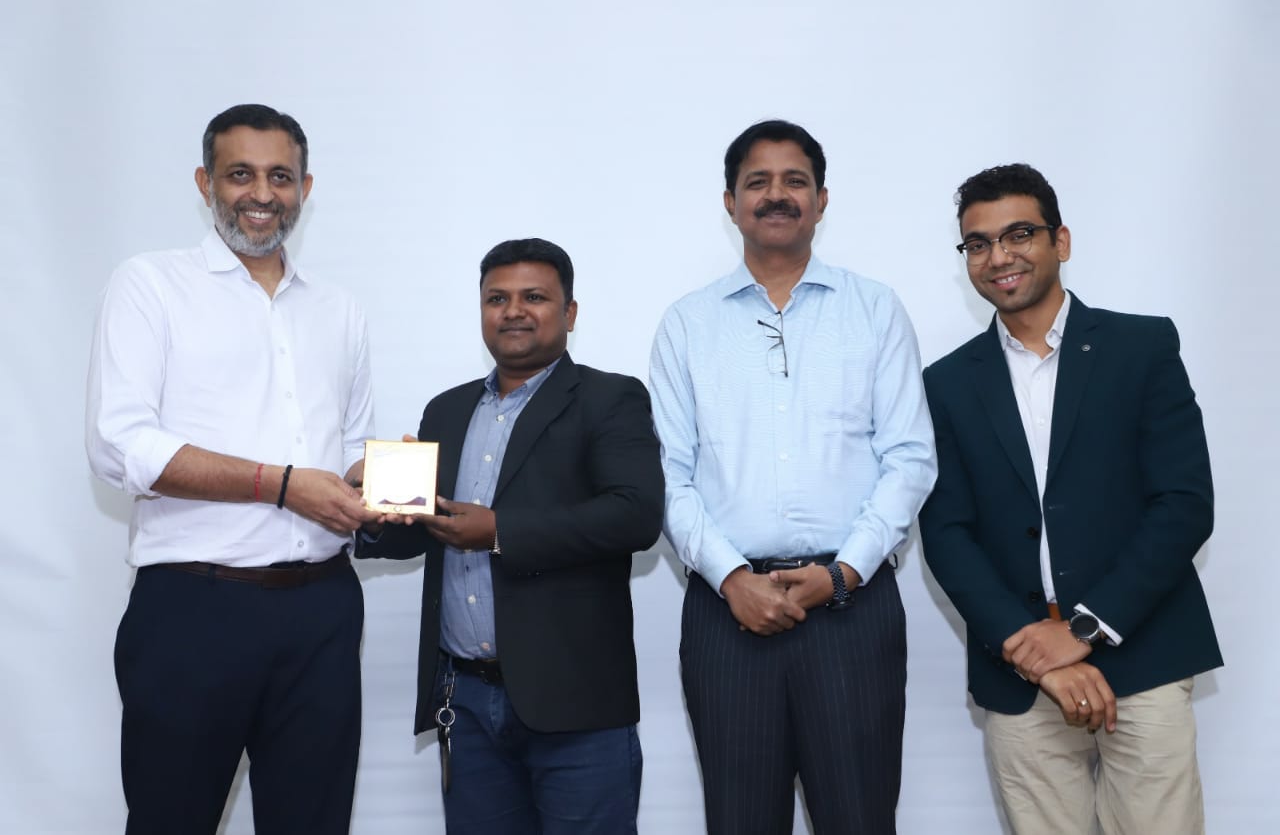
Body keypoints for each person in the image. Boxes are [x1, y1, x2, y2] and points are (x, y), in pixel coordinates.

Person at [85, 103, 376, 835]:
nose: (261, 193)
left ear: (306, 187)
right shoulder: (150, 284)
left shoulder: (340, 311)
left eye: (280, 176)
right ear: (204, 181)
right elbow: (121, 445)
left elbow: (348, 448)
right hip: (193, 611)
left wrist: (370, 481)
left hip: (324, 613)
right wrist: (280, 483)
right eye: (240, 173)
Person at [648, 120, 937, 834]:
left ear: (822, 198)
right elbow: (667, 475)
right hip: (728, 614)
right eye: (758, 182)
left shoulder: (874, 310)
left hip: (852, 610)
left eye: (794, 181)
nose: (776, 195)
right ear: (730, 201)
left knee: (859, 819)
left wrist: (844, 572)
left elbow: (910, 457)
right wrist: (730, 578)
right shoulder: (687, 325)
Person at [919, 163, 1221, 834]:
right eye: (977, 243)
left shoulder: (1141, 347)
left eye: (1019, 234)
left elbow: (1183, 503)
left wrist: (1083, 631)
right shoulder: (944, 384)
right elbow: (947, 532)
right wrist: (1030, 647)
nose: (999, 256)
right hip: (1019, 671)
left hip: (1142, 650)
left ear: (1062, 240)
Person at [356, 237, 664, 835]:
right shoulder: (445, 410)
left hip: (577, 703)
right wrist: (371, 513)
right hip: (465, 701)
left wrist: (499, 531)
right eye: (497, 298)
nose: (513, 311)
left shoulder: (609, 398)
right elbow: (426, 529)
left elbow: (635, 516)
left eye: (534, 297)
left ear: (569, 313)